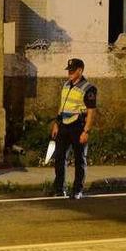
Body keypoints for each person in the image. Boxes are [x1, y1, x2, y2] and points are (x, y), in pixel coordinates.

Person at [51, 58, 97, 200]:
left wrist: (86, 131)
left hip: (78, 126)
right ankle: (59, 188)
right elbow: (62, 106)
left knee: (79, 159)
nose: (69, 73)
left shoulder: (88, 88)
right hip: (64, 125)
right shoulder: (66, 85)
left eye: (72, 70)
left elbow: (91, 111)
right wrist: (56, 123)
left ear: (80, 70)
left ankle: (77, 190)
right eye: (69, 70)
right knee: (59, 157)